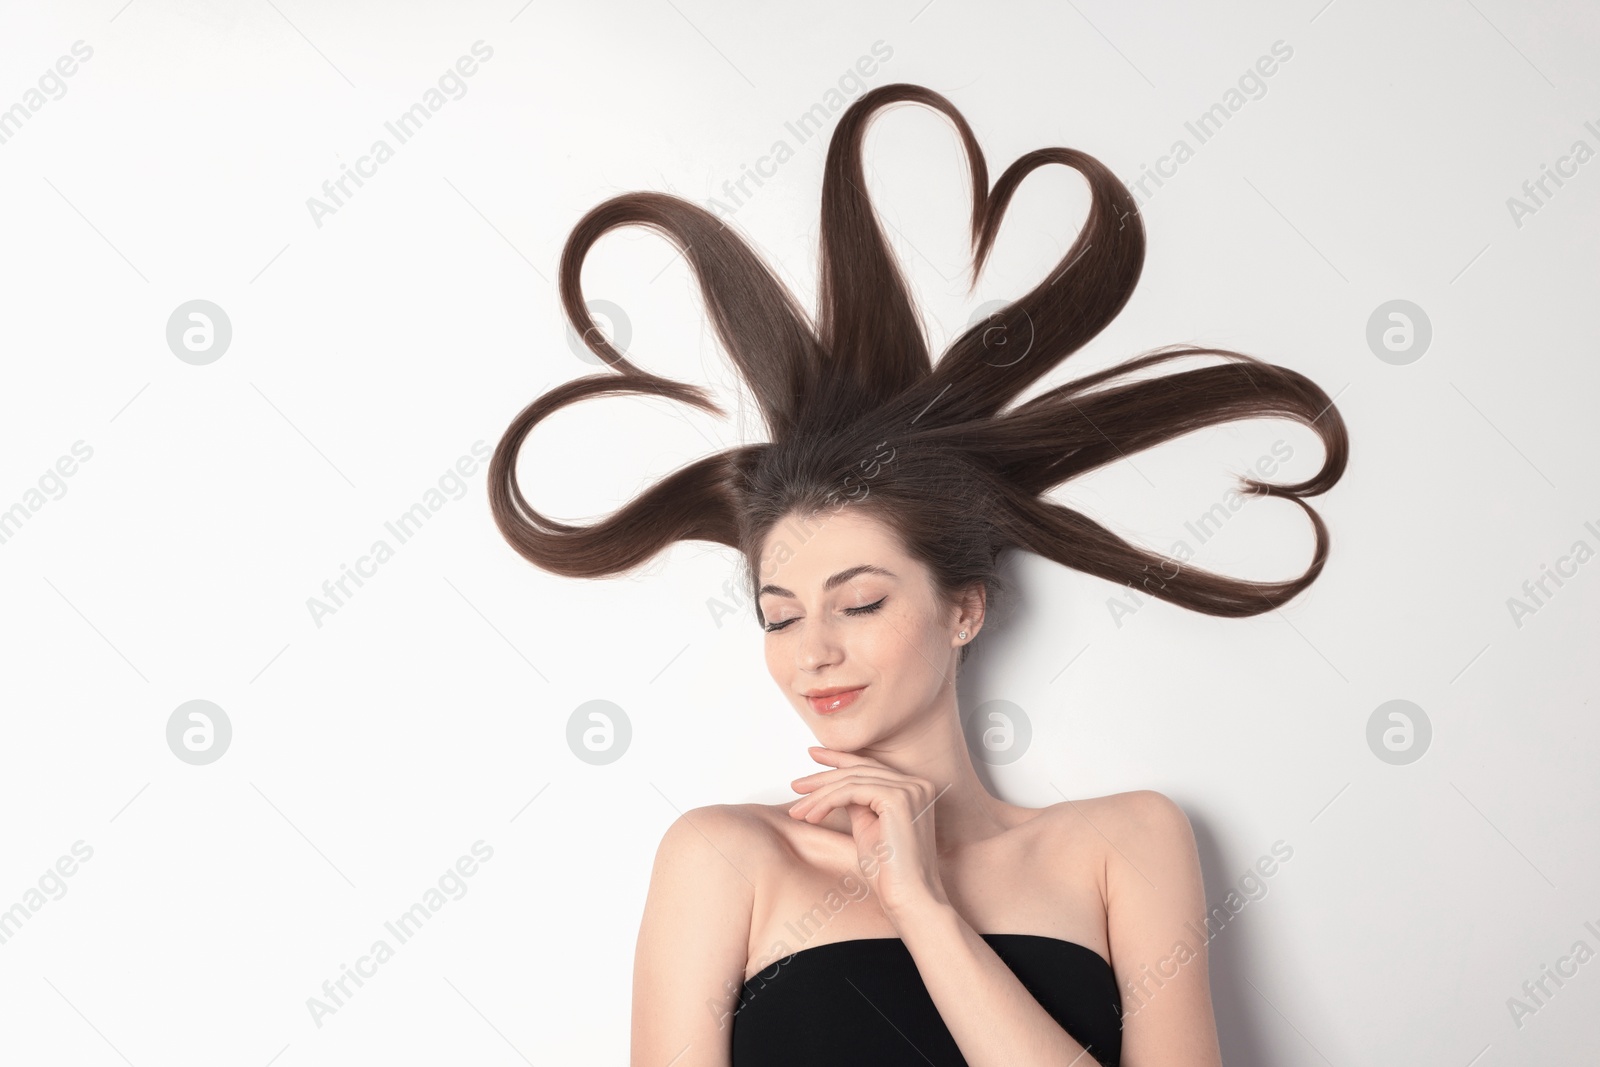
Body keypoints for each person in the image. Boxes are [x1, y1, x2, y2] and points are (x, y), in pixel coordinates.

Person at [488, 82, 1348, 1067]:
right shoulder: (725, 857)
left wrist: (925, 908)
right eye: (777, 615)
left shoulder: (1125, 843)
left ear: (964, 607)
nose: (813, 649)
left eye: (859, 600)